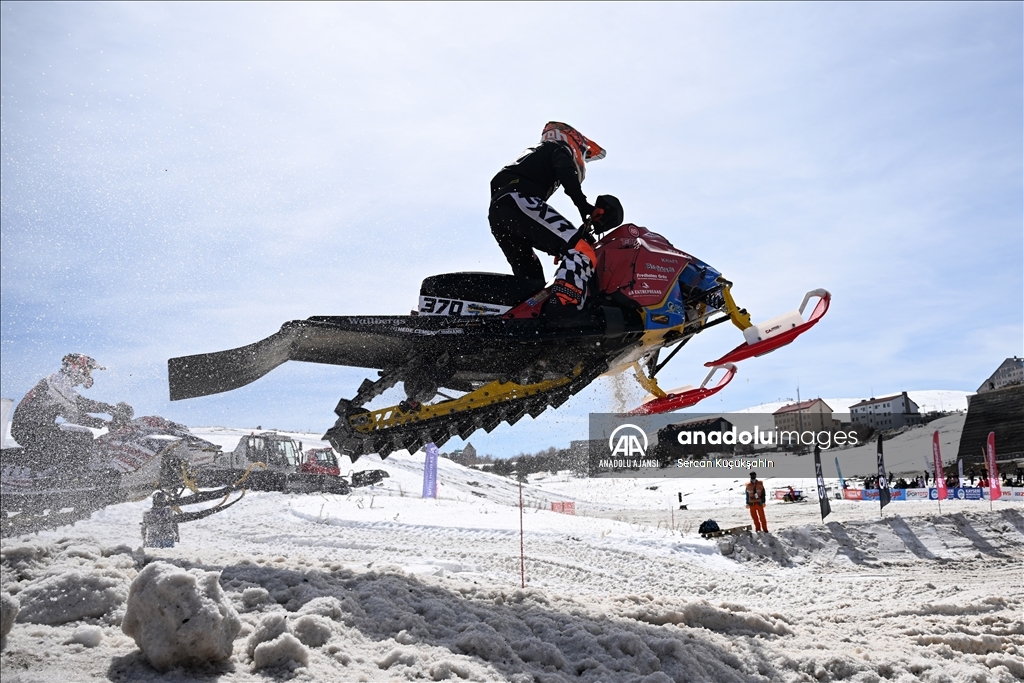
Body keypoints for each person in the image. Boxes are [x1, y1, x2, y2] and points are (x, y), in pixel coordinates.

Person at [488, 122, 620, 315]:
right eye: (583, 153)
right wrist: (584, 206)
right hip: (518, 200)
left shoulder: (535, 157)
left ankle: (521, 318)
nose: (582, 159)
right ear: (573, 140)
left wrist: (568, 238)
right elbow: (566, 174)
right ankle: (565, 309)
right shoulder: (558, 148)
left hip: (501, 211)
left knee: (531, 278)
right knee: (581, 250)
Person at [11, 354, 130, 469]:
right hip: (28, 429)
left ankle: (57, 471)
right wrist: (112, 409)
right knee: (81, 437)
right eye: (88, 370)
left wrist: (105, 423)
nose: (89, 375)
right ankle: (70, 475)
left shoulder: (61, 388)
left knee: (79, 435)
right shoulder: (57, 380)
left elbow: (76, 417)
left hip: (36, 429)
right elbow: (81, 404)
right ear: (78, 367)